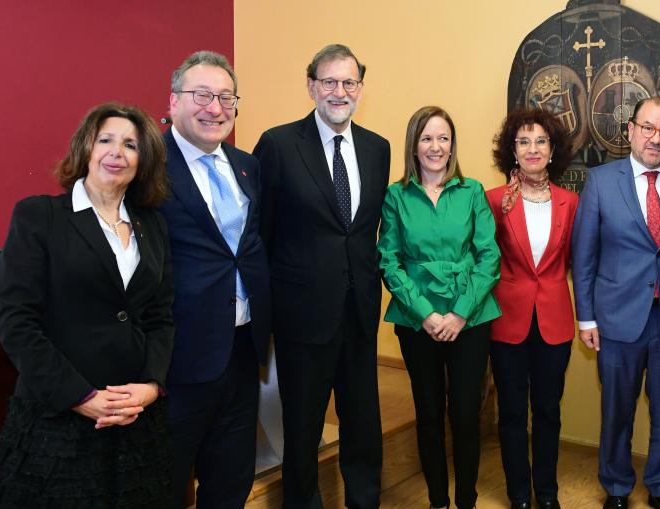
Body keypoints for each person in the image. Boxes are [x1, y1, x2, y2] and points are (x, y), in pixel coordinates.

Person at [0, 103, 174, 507]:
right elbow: (16, 322)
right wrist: (80, 397)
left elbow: (160, 318)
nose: (117, 152)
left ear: (143, 158)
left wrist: (150, 386)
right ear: (86, 148)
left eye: (130, 144)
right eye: (105, 140)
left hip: (136, 421)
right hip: (59, 419)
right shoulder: (39, 215)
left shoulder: (154, 225)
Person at [253, 44, 389, 509]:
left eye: (348, 82)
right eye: (329, 82)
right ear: (311, 85)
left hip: (359, 312)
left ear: (361, 89)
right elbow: (261, 236)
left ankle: (364, 499)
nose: (339, 91)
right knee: (303, 429)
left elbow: (363, 231)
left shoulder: (377, 149)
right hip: (302, 317)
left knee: (363, 422)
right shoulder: (277, 145)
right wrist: (266, 319)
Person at [571, 97, 660, 509]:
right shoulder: (601, 180)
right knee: (617, 411)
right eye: (647, 128)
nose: (656, 138)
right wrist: (586, 317)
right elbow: (584, 255)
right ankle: (616, 487)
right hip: (617, 319)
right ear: (629, 129)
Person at [159, 50, 272, 508]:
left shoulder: (247, 165)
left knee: (231, 477)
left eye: (227, 97)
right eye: (202, 95)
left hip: (242, 348)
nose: (216, 107)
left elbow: (252, 246)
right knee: (164, 479)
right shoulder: (146, 164)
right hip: (178, 356)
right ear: (173, 102)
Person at [378, 106, 500, 509]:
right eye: (426, 138)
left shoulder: (473, 192)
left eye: (443, 138)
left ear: (452, 146)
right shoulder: (396, 195)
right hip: (417, 321)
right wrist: (426, 314)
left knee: (466, 414)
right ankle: (437, 501)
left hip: (471, 317)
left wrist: (460, 312)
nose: (435, 146)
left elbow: (489, 257)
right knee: (428, 413)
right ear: (414, 146)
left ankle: (466, 498)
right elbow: (389, 260)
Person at [485, 109, 578, 509]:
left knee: (548, 411)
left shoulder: (571, 202)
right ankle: (519, 494)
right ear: (513, 151)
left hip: (555, 321)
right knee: (510, 414)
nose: (533, 148)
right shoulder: (494, 201)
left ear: (552, 149)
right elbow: (484, 261)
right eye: (524, 141)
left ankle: (548, 493)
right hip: (507, 322)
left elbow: (578, 261)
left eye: (541, 141)